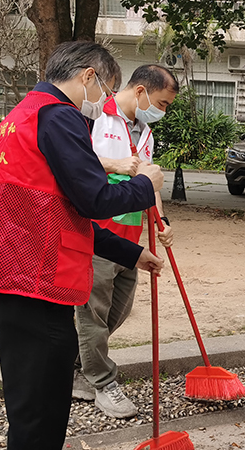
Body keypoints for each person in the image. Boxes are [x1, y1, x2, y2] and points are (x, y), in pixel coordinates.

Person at [0, 41, 165, 450]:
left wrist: (132, 252)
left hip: (11, 272)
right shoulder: (58, 119)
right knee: (44, 411)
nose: (100, 99)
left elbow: (61, 208)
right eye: (101, 85)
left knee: (29, 404)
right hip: (33, 279)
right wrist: (146, 184)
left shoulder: (20, 117)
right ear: (86, 76)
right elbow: (96, 199)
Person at [73, 64, 178, 419]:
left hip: (130, 238)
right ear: (141, 91)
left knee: (117, 312)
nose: (162, 112)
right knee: (93, 315)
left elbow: (150, 181)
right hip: (98, 235)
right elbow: (74, 165)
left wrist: (160, 220)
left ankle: (74, 369)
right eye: (161, 103)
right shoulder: (95, 117)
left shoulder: (145, 132)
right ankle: (101, 381)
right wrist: (115, 164)